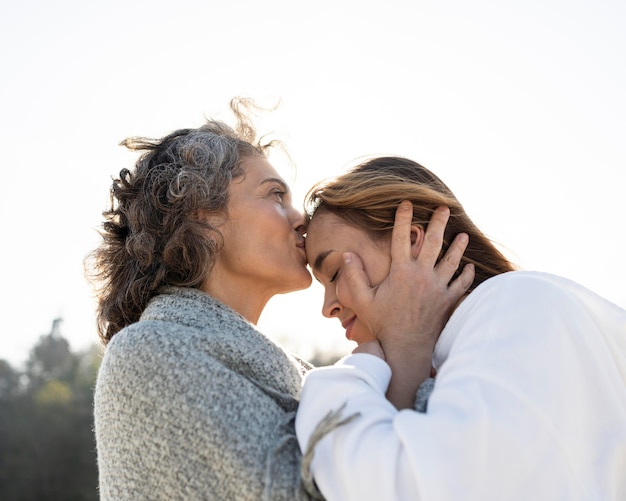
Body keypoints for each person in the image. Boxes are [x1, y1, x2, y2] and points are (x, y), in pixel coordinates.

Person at [85, 100, 474, 500]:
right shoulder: (151, 353)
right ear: (203, 217)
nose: (300, 219)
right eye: (275, 196)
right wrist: (406, 341)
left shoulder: (294, 373)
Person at [295, 156, 626, 501]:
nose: (327, 307)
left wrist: (346, 381)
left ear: (409, 240)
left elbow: (421, 487)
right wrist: (405, 348)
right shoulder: (469, 342)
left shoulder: (515, 306)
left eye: (334, 273)